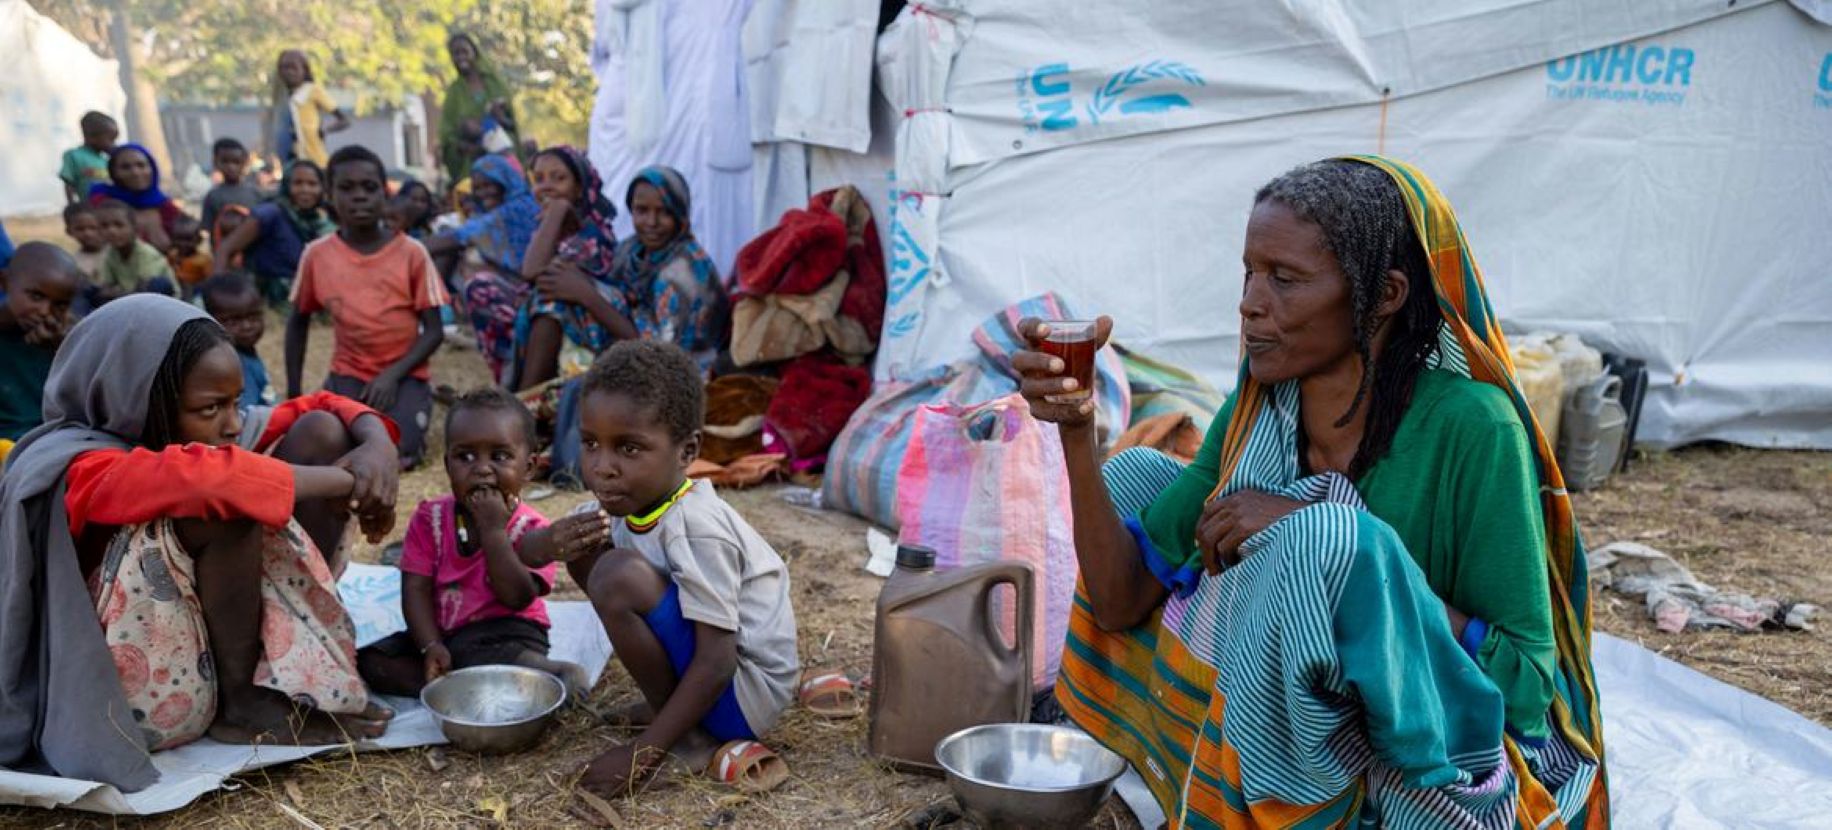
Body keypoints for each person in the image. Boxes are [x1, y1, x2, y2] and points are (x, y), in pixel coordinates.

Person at [1027, 157, 1607, 827]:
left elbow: (1527, 689)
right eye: (1249, 272)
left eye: (1286, 279)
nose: (1250, 301)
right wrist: (1075, 433)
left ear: (1384, 296)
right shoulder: (1264, 404)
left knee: (1325, 541)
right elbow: (1122, 599)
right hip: (1295, 729)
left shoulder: (1474, 428)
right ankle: (1186, 780)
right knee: (1134, 478)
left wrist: (1344, 550)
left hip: (1433, 751)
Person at [0, 296, 400, 789]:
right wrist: (349, 483)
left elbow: (318, 406)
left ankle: (279, 663)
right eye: (211, 407)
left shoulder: (201, 426)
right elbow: (206, 481)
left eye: (235, 402)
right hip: (134, 686)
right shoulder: (80, 465)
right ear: (137, 399)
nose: (233, 423)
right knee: (230, 504)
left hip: (203, 642)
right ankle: (242, 705)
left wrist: (375, 446)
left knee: (320, 432)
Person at [537, 341, 798, 797]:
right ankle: (670, 709)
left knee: (616, 575)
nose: (603, 468)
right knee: (586, 548)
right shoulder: (628, 500)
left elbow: (718, 661)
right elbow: (528, 552)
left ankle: (692, 739)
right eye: (591, 444)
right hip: (718, 678)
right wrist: (550, 541)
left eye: (629, 448)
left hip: (744, 694)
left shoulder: (695, 526)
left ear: (686, 450)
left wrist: (643, 752)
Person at [356, 388, 590, 696]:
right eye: (465, 457)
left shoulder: (531, 528)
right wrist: (430, 645)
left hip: (507, 634)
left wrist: (493, 531)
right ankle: (464, 687)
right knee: (372, 661)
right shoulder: (430, 518)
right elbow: (416, 589)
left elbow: (517, 598)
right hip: (445, 635)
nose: (481, 469)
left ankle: (554, 674)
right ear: (448, 464)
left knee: (486, 655)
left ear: (529, 467)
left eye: (500, 456)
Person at [287, 146, 447, 470]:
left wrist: (391, 376)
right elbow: (297, 322)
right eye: (346, 189)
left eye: (369, 188)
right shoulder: (317, 255)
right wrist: (294, 394)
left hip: (403, 375)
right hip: (349, 374)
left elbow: (434, 331)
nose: (359, 197)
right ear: (329, 196)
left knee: (400, 454)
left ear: (384, 194)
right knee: (325, 440)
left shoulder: (411, 253)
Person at [510, 145, 622, 389]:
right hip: (562, 332)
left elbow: (532, 271)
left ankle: (526, 398)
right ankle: (516, 391)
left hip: (597, 336)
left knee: (548, 297)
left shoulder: (593, 234)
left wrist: (558, 210)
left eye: (559, 178)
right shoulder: (549, 226)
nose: (546, 186)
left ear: (580, 187)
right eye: (538, 179)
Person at [423, 154, 540, 381]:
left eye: (489, 184)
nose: (483, 192)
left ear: (504, 181)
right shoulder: (485, 216)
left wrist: (399, 248)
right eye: (477, 187)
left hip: (530, 291)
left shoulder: (520, 207)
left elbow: (457, 237)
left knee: (479, 285)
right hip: (512, 291)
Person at [602, 167, 727, 371]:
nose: (651, 223)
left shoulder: (682, 272)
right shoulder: (631, 250)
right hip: (641, 355)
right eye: (642, 210)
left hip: (684, 373)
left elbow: (665, 357)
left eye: (665, 212)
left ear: (681, 214)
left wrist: (588, 297)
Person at [213, 161, 336, 307]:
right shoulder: (270, 214)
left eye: (312, 184)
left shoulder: (322, 220)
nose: (305, 190)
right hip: (271, 302)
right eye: (297, 183)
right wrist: (219, 294)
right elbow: (226, 249)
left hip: (308, 301)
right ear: (286, 185)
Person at [0, 243, 80, 444]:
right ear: (4, 283)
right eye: (36, 296)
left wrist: (61, 348)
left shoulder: (67, 335)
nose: (45, 311)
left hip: (51, 441)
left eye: (60, 305)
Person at [439, 33, 520, 186]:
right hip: (471, 162)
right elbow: (447, 133)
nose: (460, 57)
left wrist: (499, 118)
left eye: (464, 51)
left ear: (474, 53)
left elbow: (513, 124)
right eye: (455, 54)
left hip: (502, 155)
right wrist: (464, 145)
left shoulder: (495, 84)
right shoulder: (454, 92)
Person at [87, 143, 183, 254]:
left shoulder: (166, 207)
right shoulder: (102, 203)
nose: (135, 172)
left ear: (152, 168)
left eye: (141, 165)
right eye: (125, 167)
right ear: (114, 173)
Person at [200, 273, 274, 410]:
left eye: (254, 316)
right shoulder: (235, 364)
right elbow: (247, 414)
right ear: (211, 321)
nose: (247, 326)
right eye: (233, 321)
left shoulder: (246, 353)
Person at [270, 50, 350, 168]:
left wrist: (323, 131)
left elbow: (344, 120)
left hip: (314, 160)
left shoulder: (312, 91)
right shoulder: (283, 97)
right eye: (284, 68)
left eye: (293, 68)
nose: (288, 72)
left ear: (304, 70)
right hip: (290, 160)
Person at [95, 200, 176, 301]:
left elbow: (144, 291)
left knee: (158, 285)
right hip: (128, 297)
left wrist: (115, 293)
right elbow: (105, 287)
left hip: (161, 301)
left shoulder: (146, 253)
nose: (112, 231)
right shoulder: (110, 254)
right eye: (104, 226)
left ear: (134, 227)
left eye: (119, 225)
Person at [201, 138, 263, 245]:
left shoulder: (255, 193)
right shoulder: (213, 196)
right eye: (225, 161)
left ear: (245, 163)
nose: (231, 167)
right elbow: (208, 230)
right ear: (216, 162)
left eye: (236, 162)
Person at [58, 111, 118, 204]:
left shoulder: (107, 160)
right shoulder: (74, 155)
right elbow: (69, 184)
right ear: (91, 137)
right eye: (110, 139)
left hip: (112, 208)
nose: (113, 144)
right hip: (90, 209)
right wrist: (72, 206)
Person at [168, 214, 213, 296]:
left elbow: (209, 282)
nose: (183, 244)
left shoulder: (204, 260)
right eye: (179, 239)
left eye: (188, 239)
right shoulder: (172, 256)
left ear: (199, 240)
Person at [63, 202, 107, 280]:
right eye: (80, 229)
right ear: (69, 232)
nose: (88, 233)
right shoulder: (74, 263)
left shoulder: (116, 251)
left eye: (93, 227)